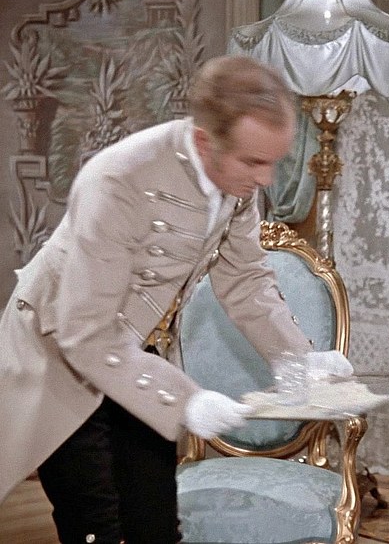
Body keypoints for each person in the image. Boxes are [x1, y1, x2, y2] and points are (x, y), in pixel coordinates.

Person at [0, 55, 330, 543]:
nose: (266, 178)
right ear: (205, 141)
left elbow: (245, 281)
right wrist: (188, 400)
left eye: (273, 162)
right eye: (254, 162)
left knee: (154, 522)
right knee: (96, 525)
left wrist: (300, 362)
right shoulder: (118, 178)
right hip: (60, 351)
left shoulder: (237, 180)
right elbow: (86, 333)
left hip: (138, 352)